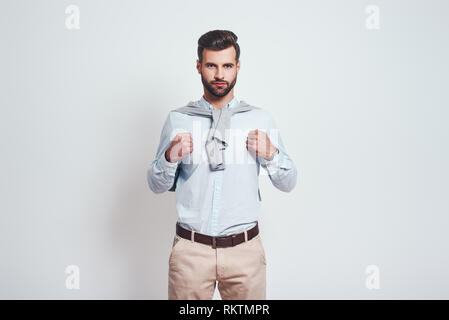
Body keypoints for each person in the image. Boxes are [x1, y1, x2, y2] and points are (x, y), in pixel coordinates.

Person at [147, 30, 297, 300]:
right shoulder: (178, 119)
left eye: (227, 65)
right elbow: (156, 185)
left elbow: (288, 183)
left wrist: (272, 154)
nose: (219, 74)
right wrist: (170, 157)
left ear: (238, 67)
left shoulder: (260, 119)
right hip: (191, 253)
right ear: (198, 67)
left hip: (245, 253)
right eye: (211, 65)